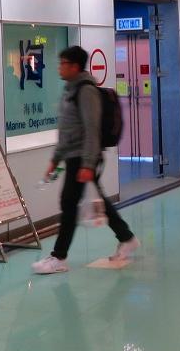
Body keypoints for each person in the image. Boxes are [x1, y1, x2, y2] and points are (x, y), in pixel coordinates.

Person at [33, 45, 137, 274]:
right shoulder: (69, 90)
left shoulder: (86, 91)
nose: (59, 68)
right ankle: (126, 238)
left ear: (75, 66)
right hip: (73, 157)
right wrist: (55, 159)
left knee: (69, 204)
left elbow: (92, 130)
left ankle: (59, 257)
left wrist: (88, 164)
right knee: (96, 203)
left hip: (83, 158)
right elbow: (67, 130)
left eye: (63, 63)